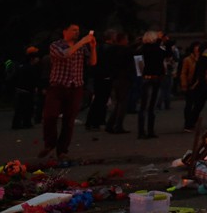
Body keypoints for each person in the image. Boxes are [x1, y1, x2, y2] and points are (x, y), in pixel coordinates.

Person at [41, 23, 97, 161]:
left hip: (75, 86)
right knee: (50, 115)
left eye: (78, 30)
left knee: (69, 120)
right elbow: (65, 54)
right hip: (58, 85)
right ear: (65, 31)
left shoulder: (81, 46)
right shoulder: (56, 45)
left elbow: (92, 62)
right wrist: (82, 42)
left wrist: (93, 47)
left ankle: (62, 150)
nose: (76, 33)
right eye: (73, 30)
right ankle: (50, 143)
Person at [135, 30, 169, 139]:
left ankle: (141, 131)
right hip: (156, 78)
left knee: (143, 106)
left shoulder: (141, 50)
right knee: (152, 106)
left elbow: (139, 67)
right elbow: (167, 54)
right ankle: (150, 130)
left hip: (146, 78)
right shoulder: (158, 49)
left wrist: (142, 75)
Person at [104, 30, 134, 134]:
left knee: (118, 102)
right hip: (124, 78)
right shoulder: (127, 51)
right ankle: (118, 125)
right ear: (124, 40)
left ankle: (110, 124)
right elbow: (131, 63)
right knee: (122, 102)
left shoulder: (110, 50)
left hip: (114, 77)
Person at [11, 46, 41, 130]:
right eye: (36, 57)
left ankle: (18, 123)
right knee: (28, 107)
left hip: (20, 89)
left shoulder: (21, 65)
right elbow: (32, 79)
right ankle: (26, 122)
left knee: (20, 108)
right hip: (27, 90)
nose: (38, 59)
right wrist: (35, 87)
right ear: (32, 58)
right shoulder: (30, 68)